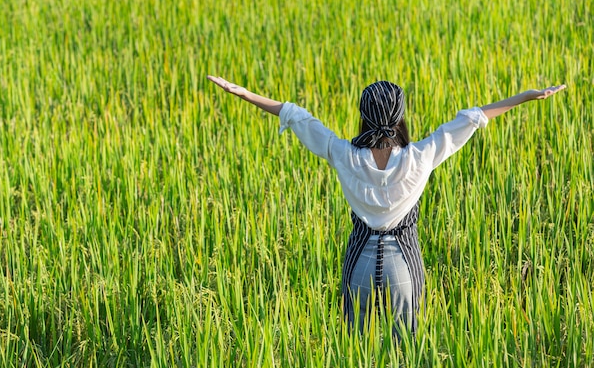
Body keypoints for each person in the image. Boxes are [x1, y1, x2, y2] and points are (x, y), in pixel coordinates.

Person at [206, 75, 566, 337]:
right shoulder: (420, 156)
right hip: (403, 266)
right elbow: (473, 118)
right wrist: (526, 96)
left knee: (356, 349)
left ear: (363, 114)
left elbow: (296, 116)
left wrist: (243, 93)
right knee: (405, 349)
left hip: (359, 263)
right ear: (399, 117)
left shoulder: (343, 154)